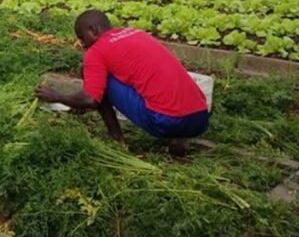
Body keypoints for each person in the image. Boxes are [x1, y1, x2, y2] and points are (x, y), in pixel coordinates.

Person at [35, 9, 209, 144]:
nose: (82, 44)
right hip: (200, 118)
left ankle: (116, 137)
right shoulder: (137, 33)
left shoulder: (96, 51)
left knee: (93, 79)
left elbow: (91, 100)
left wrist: (56, 96)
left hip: (165, 122)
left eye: (82, 38)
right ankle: (180, 137)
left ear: (93, 30)